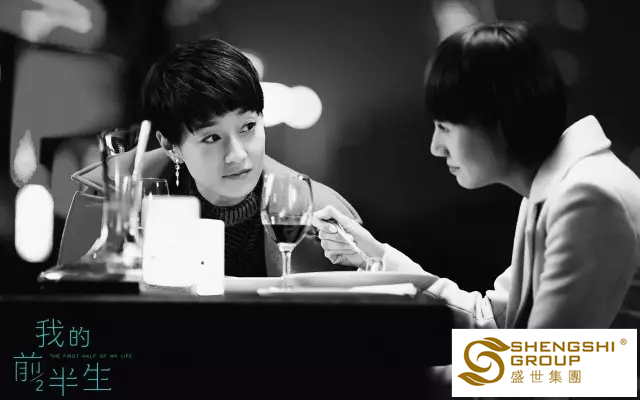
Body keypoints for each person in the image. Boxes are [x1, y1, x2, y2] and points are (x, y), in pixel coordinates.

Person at [312, 20, 640, 330]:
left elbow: (540, 363)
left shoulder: (586, 198)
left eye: (445, 127)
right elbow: (490, 319)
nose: (436, 148)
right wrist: (372, 254)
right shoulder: (555, 188)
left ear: (500, 118)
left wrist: (412, 368)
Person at [67, 37, 362, 277]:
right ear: (171, 146)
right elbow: (74, 309)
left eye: (248, 127)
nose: (237, 155)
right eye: (212, 137)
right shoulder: (114, 199)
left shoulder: (318, 218)